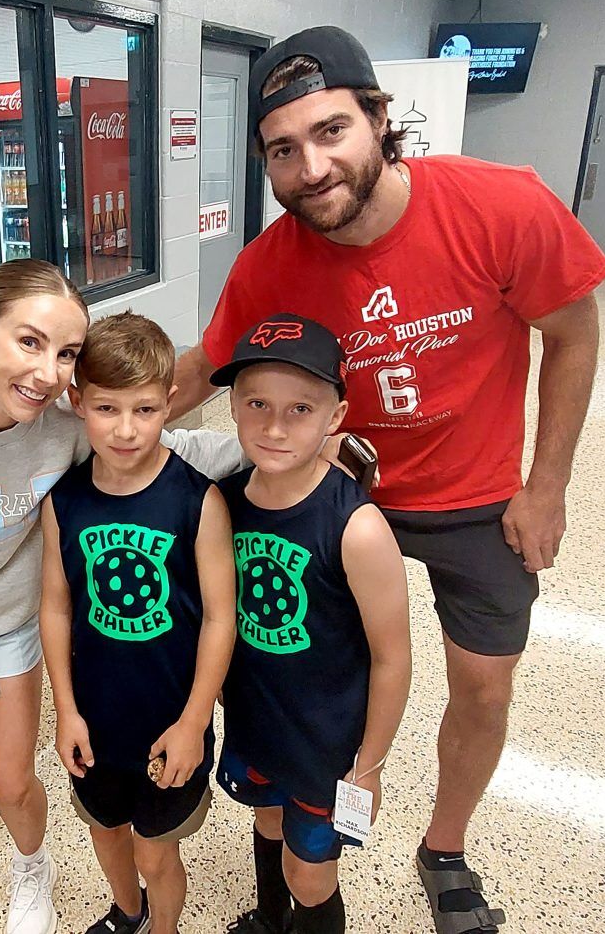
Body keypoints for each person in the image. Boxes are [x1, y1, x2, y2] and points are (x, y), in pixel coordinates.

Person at [172, 26, 605, 934]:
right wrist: (81, 399)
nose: (311, 166)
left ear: (379, 119)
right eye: (282, 150)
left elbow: (573, 330)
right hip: (337, 494)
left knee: (484, 686)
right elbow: (199, 372)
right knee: (295, 658)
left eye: (331, 130)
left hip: (477, 494)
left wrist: (548, 484)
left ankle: (443, 845)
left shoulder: (501, 205)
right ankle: (297, 805)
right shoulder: (270, 262)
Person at [0, 261, 242, 934]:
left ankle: (32, 869)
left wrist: (280, 444)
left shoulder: (61, 429)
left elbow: (163, 445)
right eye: (29, 342)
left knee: (12, 780)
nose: (48, 372)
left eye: (65, 354)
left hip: (8, 628)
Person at [212, 315, 411, 934]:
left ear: (335, 416)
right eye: (257, 404)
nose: (274, 426)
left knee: (311, 874)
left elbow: (393, 657)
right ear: (235, 408)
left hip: (327, 742)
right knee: (266, 820)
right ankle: (270, 922)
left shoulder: (358, 528)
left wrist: (371, 764)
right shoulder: (226, 499)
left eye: (301, 408)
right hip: (256, 719)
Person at [38, 312, 236, 934]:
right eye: (106, 409)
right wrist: (64, 709)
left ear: (169, 402)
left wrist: (194, 722)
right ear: (77, 403)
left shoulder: (197, 500)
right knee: (106, 832)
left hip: (169, 721)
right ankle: (127, 914)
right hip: (96, 718)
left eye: (145, 410)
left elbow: (220, 621)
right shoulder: (64, 501)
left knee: (156, 848)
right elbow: (56, 605)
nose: (126, 430)